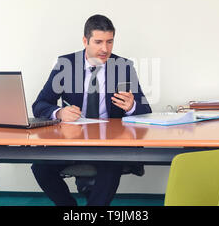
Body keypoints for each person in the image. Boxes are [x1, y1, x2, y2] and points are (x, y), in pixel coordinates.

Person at [31, 14, 152, 206]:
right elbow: (40, 104)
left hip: (110, 143)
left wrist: (132, 106)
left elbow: (145, 110)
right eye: (98, 42)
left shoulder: (123, 67)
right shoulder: (66, 65)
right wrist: (59, 113)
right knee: (40, 167)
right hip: (73, 139)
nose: (105, 49)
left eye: (110, 42)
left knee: (111, 166)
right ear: (85, 40)